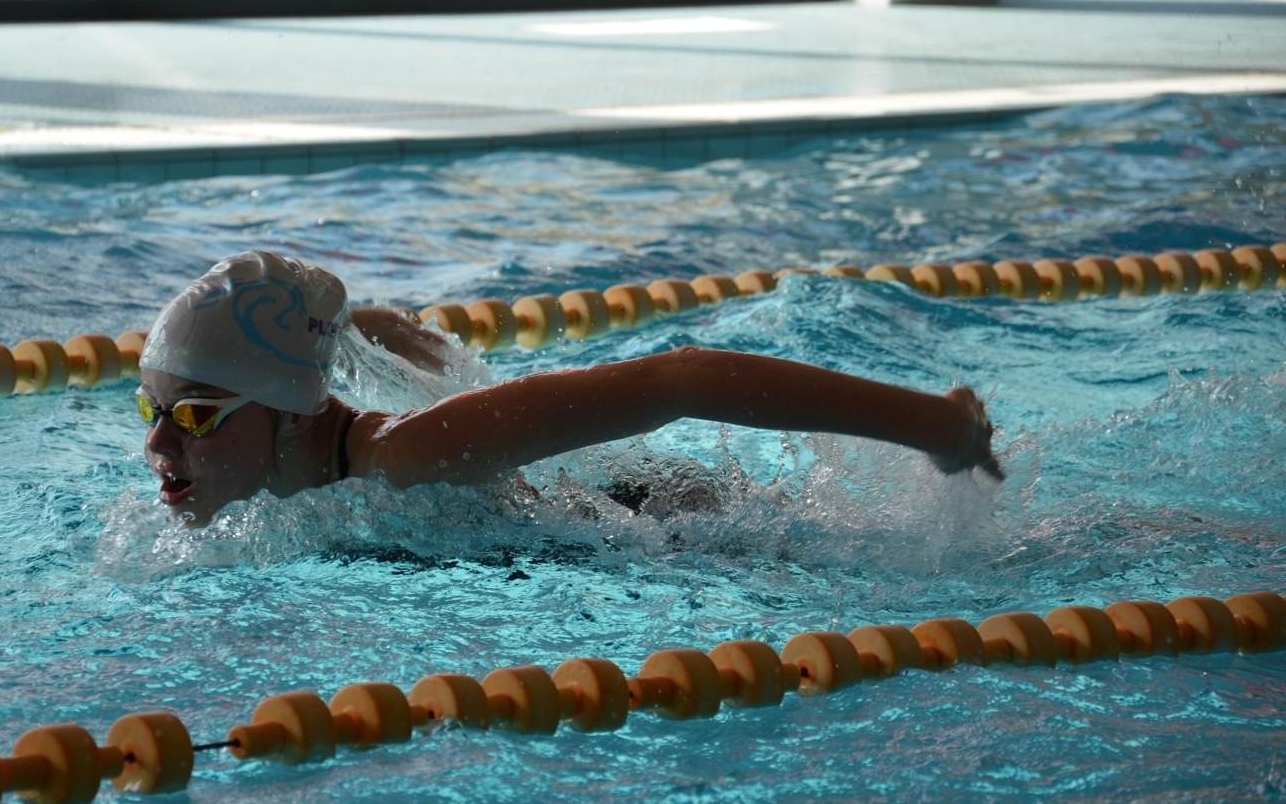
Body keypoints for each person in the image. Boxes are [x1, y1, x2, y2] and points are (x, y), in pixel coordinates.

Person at [138, 250, 1002, 526]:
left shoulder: (407, 456)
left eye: (195, 415)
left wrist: (936, 425)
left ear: (290, 406)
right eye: (151, 409)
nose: (157, 446)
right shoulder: (295, 463)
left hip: (672, 527)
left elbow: (682, 378)